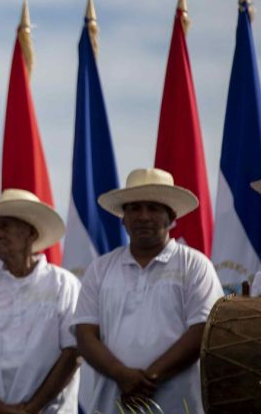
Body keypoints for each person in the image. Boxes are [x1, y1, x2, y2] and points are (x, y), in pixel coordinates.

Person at [73, 168, 224, 413]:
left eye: (153, 208)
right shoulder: (100, 269)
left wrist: (148, 377)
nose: (143, 216)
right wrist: (121, 374)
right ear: (123, 217)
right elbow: (85, 334)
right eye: (134, 208)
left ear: (171, 215)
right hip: (111, 405)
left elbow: (203, 330)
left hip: (179, 404)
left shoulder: (195, 265)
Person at [0, 189, 81, 413]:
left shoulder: (63, 284)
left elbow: (73, 353)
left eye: (6, 226)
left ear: (31, 233)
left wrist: (32, 408)